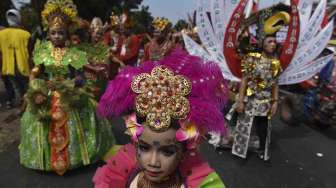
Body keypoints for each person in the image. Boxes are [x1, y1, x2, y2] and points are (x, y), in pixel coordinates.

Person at [93, 49, 228, 187]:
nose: (153, 162)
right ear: (135, 142)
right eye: (144, 148)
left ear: (183, 152)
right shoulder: (124, 176)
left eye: (167, 151)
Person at [19, 0, 114, 175]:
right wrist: (33, 86)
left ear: (67, 33)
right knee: (39, 119)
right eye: (53, 33)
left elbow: (84, 69)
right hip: (47, 92)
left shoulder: (72, 53)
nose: (57, 36)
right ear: (48, 33)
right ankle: (46, 159)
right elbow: (35, 70)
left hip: (69, 92)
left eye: (60, 33)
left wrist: (96, 71)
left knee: (81, 117)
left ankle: (78, 157)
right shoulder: (43, 52)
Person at [232, 34, 281, 161]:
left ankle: (261, 150)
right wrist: (241, 101)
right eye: (270, 41)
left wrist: (275, 102)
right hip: (250, 98)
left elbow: (275, 83)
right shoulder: (252, 59)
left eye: (275, 42)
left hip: (265, 101)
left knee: (263, 127)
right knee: (243, 123)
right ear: (262, 44)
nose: (273, 44)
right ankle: (239, 150)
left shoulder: (276, 64)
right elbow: (244, 80)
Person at [0, 9, 31, 108]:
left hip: (9, 67)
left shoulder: (1, 34)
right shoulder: (26, 34)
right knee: (27, 89)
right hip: (23, 67)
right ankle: (28, 108)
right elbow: (31, 52)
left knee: (17, 89)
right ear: (19, 18)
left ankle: (21, 107)